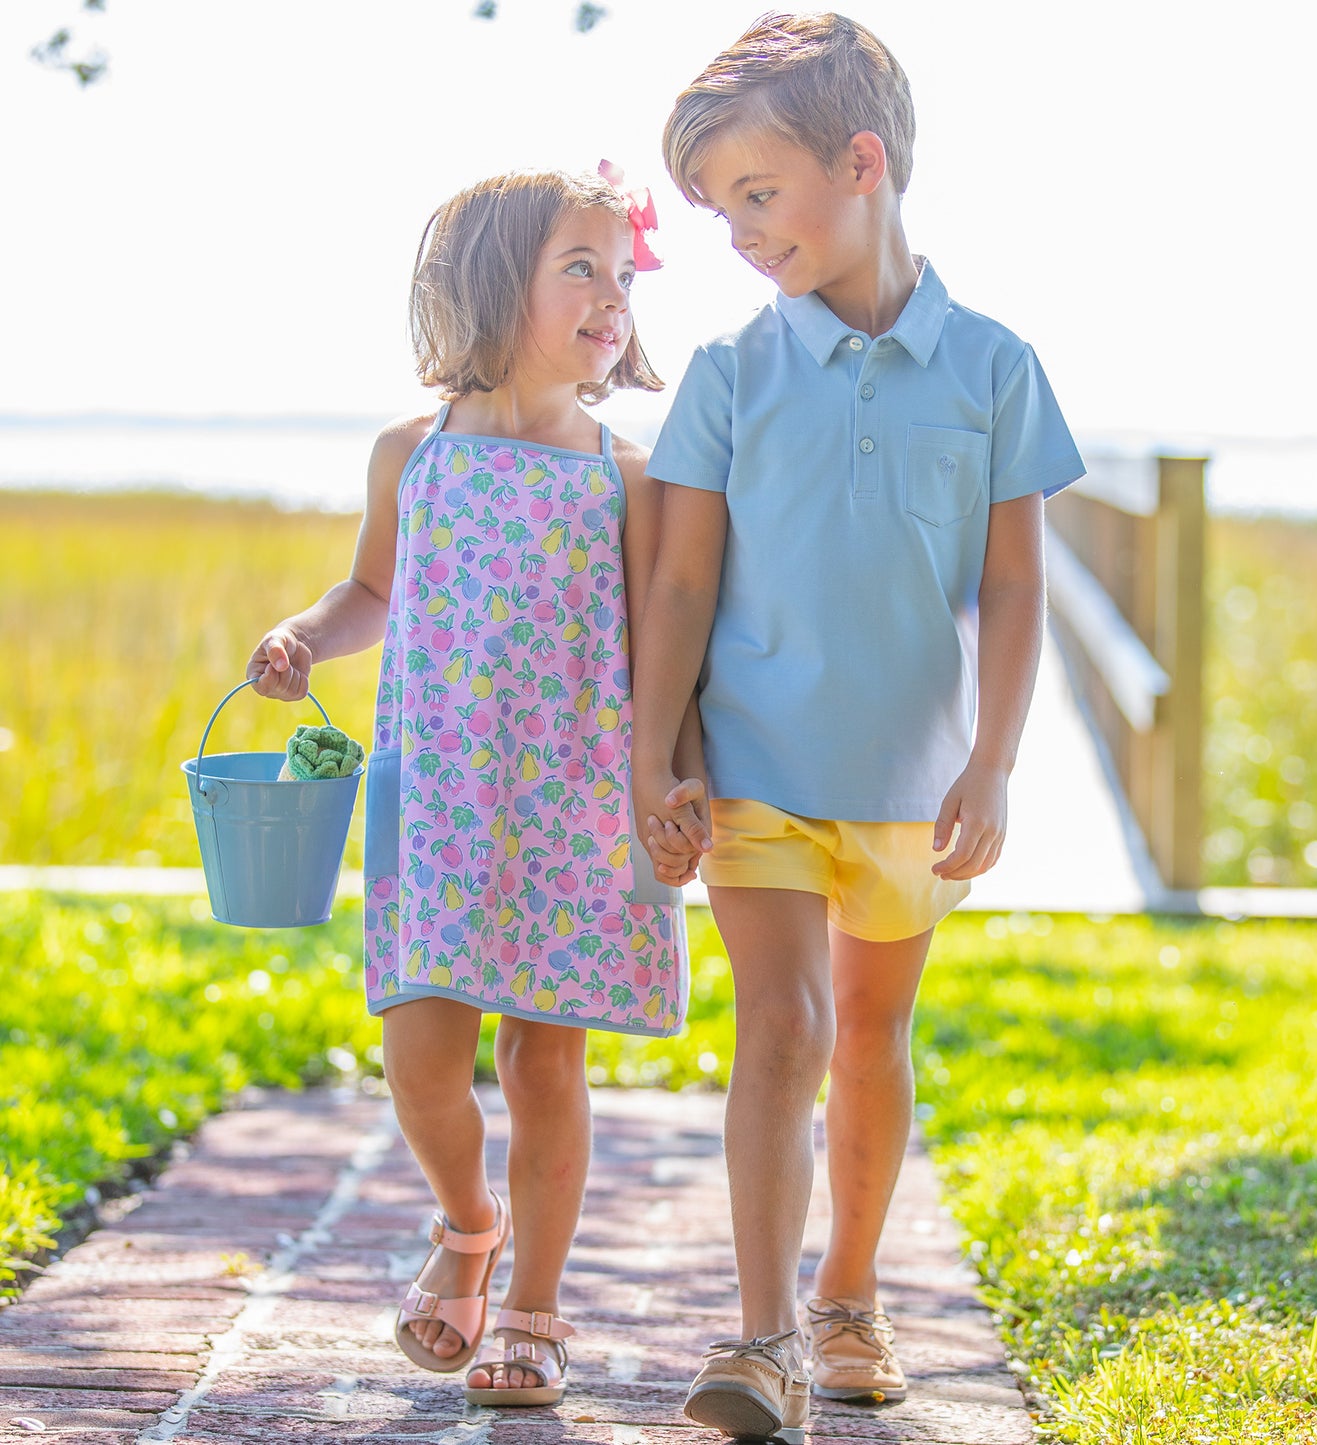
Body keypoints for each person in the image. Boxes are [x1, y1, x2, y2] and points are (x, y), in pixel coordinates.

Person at [631, 13, 1086, 1442]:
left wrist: (995, 759)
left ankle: (847, 1290)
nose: (737, 234)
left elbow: (1015, 588)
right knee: (780, 1027)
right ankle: (761, 1334)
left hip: (911, 780)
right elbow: (683, 577)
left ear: (864, 162)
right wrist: (657, 749)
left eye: (755, 196)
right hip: (755, 761)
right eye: (716, 211)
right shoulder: (724, 373)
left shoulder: (997, 366)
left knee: (872, 1034)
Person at [247, 167, 701, 1408]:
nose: (612, 298)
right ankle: (466, 1223)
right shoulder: (414, 451)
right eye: (581, 267)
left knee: (544, 1062)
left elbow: (667, 641)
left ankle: (535, 1306)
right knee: (418, 1054)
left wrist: (675, 778)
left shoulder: (629, 472)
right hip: (440, 798)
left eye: (622, 274)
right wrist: (302, 636)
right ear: (493, 281)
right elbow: (368, 596)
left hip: (570, 803)